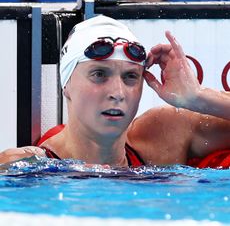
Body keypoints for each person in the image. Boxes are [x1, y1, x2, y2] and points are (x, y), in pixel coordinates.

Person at [1, 15, 230, 168]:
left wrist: (198, 97)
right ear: (66, 84)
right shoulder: (24, 166)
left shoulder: (164, 134)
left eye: (130, 77)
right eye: (99, 74)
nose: (118, 92)